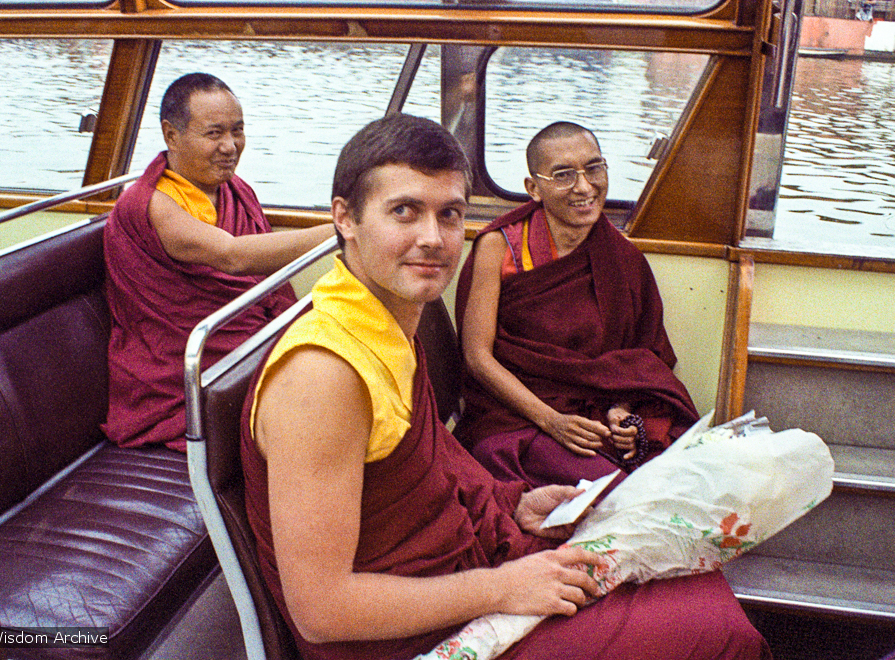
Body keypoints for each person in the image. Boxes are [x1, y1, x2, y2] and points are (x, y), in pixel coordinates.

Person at [241, 113, 770, 660]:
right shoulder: (321, 377)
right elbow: (323, 611)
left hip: (458, 566)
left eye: (450, 214)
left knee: (688, 575)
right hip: (406, 637)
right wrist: (506, 587)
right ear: (344, 219)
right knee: (718, 635)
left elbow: (436, 466)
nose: (432, 238)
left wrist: (514, 503)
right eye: (404, 211)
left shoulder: (387, 325)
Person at [454, 121, 699, 488]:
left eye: (594, 168)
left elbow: (641, 358)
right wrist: (551, 420)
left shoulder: (622, 257)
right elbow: (477, 357)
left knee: (682, 472)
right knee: (619, 490)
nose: (584, 187)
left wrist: (622, 412)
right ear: (533, 188)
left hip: (596, 414)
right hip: (515, 416)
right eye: (564, 174)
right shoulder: (499, 247)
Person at [103, 73, 334, 451]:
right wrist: (347, 230)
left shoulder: (233, 191)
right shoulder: (152, 205)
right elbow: (233, 256)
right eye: (214, 134)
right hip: (181, 378)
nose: (230, 147)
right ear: (171, 135)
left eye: (237, 131)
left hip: (247, 341)